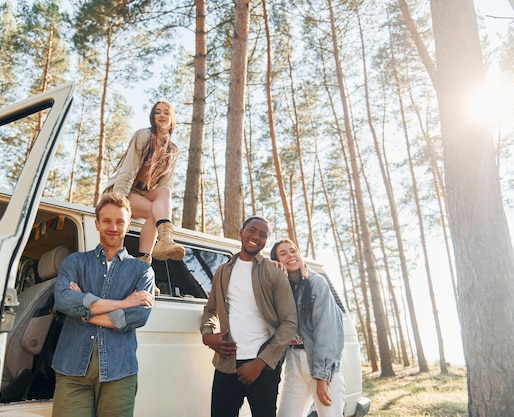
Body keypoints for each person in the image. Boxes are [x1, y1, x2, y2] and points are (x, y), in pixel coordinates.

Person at [51, 192, 155, 417]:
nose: (113, 227)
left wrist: (84, 312)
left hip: (120, 372)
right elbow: (63, 300)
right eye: (107, 220)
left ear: (128, 226)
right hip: (72, 369)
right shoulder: (75, 262)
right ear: (97, 223)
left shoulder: (142, 270)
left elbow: (137, 316)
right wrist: (122, 303)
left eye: (120, 221)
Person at [200, 216, 298, 417]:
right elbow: (210, 310)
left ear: (266, 241)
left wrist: (260, 363)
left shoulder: (274, 272)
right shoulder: (222, 271)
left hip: (263, 367)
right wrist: (207, 335)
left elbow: (290, 322)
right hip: (226, 364)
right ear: (241, 232)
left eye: (263, 235)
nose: (256, 237)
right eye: (251, 230)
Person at [102, 99, 184, 264]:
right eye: (157, 112)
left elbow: (165, 185)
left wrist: (162, 210)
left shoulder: (173, 150)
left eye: (166, 112)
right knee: (155, 211)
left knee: (165, 193)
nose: (161, 115)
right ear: (152, 116)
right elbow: (128, 171)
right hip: (123, 190)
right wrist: (118, 203)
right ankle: (147, 259)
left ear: (172, 118)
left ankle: (161, 243)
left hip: (143, 194)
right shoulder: (144, 135)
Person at [270, 239, 346, 417]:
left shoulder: (316, 283)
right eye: (283, 253)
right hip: (294, 362)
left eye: (293, 250)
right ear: (277, 261)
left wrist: (321, 376)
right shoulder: (281, 288)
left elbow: (327, 331)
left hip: (320, 363)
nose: (290, 255)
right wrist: (268, 267)